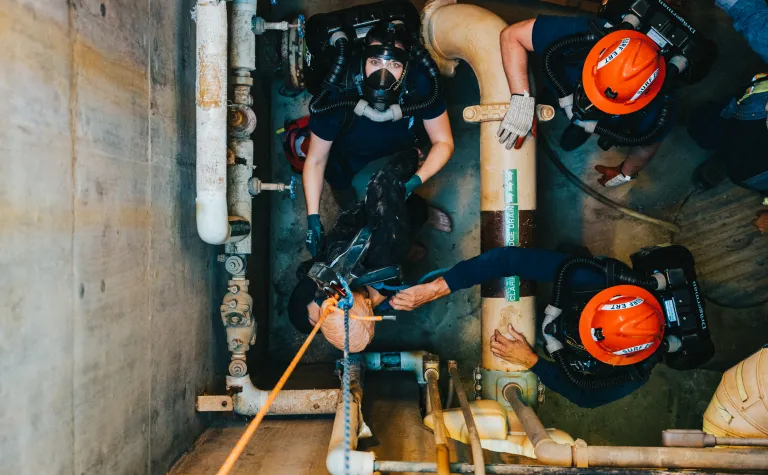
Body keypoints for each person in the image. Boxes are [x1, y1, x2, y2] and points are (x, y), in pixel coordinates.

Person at [390, 246, 678, 408]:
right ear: (608, 299)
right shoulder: (596, 279)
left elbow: (586, 396)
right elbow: (507, 259)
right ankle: (567, 255)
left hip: (566, 336)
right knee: (571, 260)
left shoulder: (635, 371)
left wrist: (532, 361)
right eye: (585, 320)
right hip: (579, 283)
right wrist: (434, 289)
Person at [303, 20, 454, 257]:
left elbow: (443, 142)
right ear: (362, 61)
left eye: (393, 64)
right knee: (345, 193)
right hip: (348, 154)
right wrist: (313, 217)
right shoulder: (338, 89)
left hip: (400, 147)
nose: (382, 74)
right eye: (375, 62)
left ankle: (413, 218)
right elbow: (316, 160)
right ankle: (360, 219)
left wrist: (416, 180)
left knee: (398, 192)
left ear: (406, 66)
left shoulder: (419, 82)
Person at [498, 9, 697, 187]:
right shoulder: (586, 33)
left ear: (639, 101)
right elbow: (512, 36)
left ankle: (577, 130)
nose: (588, 105)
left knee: (575, 134)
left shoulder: (661, 104)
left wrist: (624, 173)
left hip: (593, 115)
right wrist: (522, 99)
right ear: (601, 50)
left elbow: (648, 143)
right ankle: (554, 101)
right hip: (561, 84)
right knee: (551, 93)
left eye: (604, 102)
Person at [289, 150, 435, 353]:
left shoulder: (331, 281)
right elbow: (382, 184)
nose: (325, 291)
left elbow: (382, 183)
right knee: (407, 219)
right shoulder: (384, 252)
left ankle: (416, 222)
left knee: (400, 218)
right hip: (390, 237)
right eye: (329, 305)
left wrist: (412, 157)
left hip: (356, 230)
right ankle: (423, 213)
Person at [688, 0, 768, 234]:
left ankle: (724, 159)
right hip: (742, 118)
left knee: (737, 163)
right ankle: (722, 153)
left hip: (755, 170)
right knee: (702, 128)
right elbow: (757, 22)